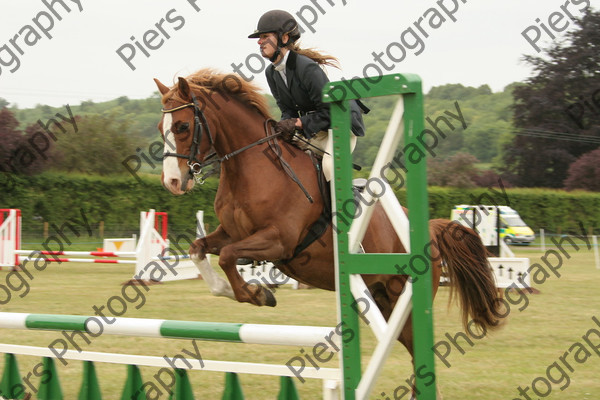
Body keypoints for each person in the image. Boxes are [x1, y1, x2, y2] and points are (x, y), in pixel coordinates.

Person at [248, 9, 369, 181]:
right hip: (315, 130)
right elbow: (287, 109)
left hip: (340, 125)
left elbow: (328, 111)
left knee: (328, 167)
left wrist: (296, 122)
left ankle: (345, 206)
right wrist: (285, 125)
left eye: (265, 36)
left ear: (284, 38)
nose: (259, 42)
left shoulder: (307, 68)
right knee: (279, 157)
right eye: (259, 38)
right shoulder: (271, 73)